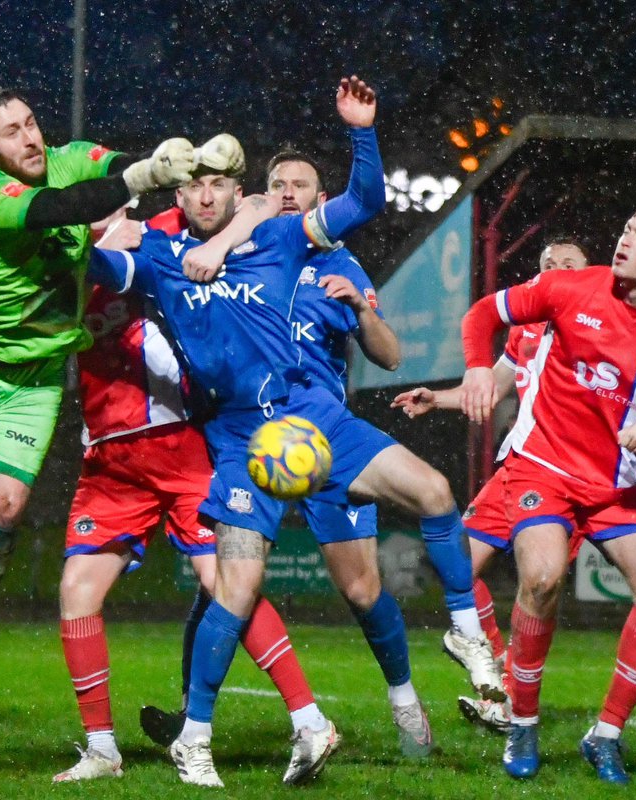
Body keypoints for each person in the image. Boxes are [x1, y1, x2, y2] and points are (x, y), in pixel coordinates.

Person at [90, 75, 503, 787]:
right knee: (234, 588)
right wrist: (86, 221)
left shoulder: (283, 239)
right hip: (240, 441)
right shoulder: (159, 258)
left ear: (236, 193)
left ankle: (464, 636)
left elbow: (365, 202)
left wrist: (361, 132)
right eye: (195, 186)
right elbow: (90, 263)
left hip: (313, 424)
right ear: (180, 196)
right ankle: (195, 735)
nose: (208, 195)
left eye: (220, 184)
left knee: (435, 494)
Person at [0, 89, 241, 703]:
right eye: (11, 132)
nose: (30, 138)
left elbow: (107, 166)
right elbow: (64, 208)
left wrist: (166, 160)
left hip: (33, 376)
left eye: (31, 123)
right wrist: (145, 177)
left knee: (3, 509)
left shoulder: (62, 158)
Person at [140, 150, 434, 761]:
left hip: (318, 445)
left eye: (302, 184)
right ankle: (193, 718)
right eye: (279, 184)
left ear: (319, 199)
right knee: (224, 582)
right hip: (248, 441)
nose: (289, 192)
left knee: (361, 590)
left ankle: (403, 696)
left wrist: (360, 308)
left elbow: (390, 357)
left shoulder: (336, 262)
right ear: (262, 194)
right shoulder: (237, 252)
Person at [51, 192, 332, 783]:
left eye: (102, 195)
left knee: (226, 582)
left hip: (182, 443)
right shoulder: (65, 260)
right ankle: (102, 750)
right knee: (77, 591)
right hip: (110, 458)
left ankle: (308, 720)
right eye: (81, 198)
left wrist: (235, 227)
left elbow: (251, 204)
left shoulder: (158, 234)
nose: (90, 206)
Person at [458, 204, 636, 783]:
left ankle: (605, 735)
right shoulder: (569, 287)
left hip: (617, 483)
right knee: (541, 579)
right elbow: (483, 313)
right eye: (625, 228)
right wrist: (478, 368)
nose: (625, 240)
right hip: (543, 466)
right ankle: (522, 722)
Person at [391, 237, 589, 731]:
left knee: (538, 587)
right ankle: (495, 666)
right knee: (457, 563)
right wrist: (437, 399)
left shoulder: (600, 326)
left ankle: (514, 700)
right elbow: (492, 387)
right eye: (548, 264)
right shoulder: (526, 327)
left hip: (572, 476)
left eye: (569, 264)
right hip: (519, 466)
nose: (556, 270)